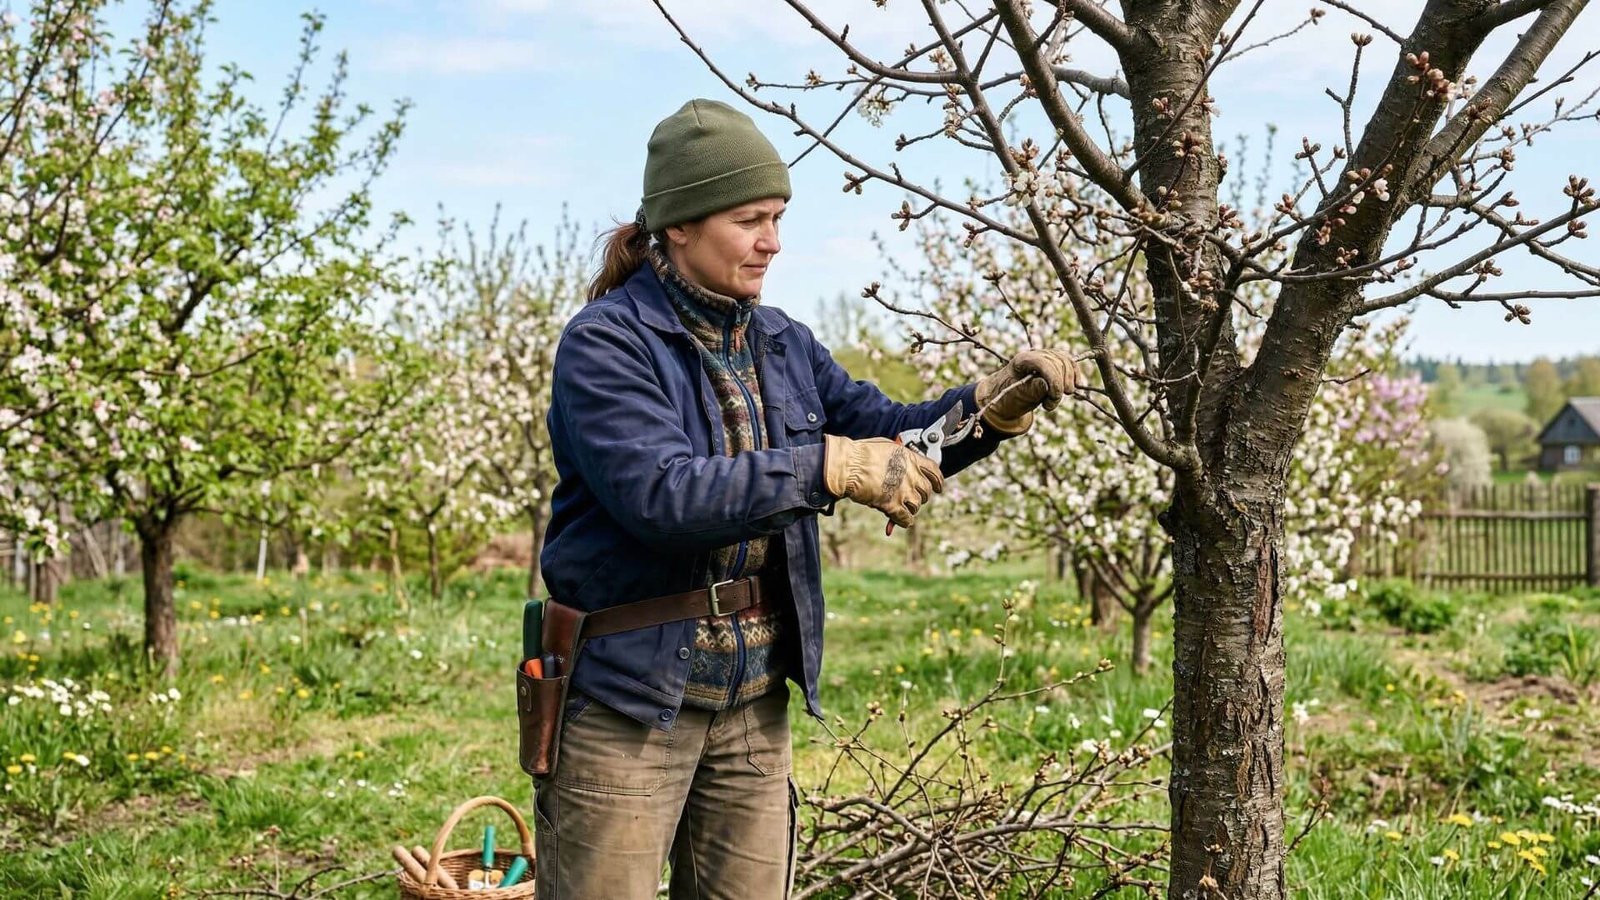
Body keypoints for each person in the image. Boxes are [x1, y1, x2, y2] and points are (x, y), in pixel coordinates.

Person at [534, 97, 1078, 900]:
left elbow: (889, 436)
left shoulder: (783, 343)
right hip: (630, 700)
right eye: (749, 219)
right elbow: (660, 494)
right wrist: (823, 465)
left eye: (778, 217)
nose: (772, 241)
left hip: (753, 703)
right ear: (680, 224)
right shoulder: (607, 343)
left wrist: (986, 411)